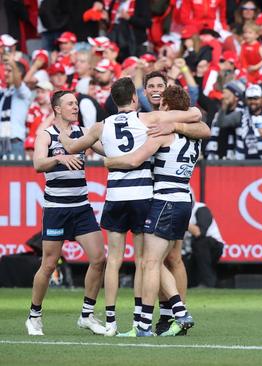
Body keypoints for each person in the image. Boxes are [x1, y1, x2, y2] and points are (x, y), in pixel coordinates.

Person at [59, 78, 206, 336]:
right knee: (158, 260)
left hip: (141, 197)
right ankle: (168, 314)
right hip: (167, 196)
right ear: (136, 98)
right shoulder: (159, 124)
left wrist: (106, 160)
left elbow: (128, 157)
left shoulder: (137, 126)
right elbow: (200, 121)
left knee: (135, 261)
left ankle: (125, 322)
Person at [104, 85, 210, 337]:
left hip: (164, 200)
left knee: (149, 263)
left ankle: (144, 325)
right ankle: (179, 310)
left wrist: (108, 160)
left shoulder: (163, 133)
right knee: (158, 261)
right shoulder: (194, 136)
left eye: (161, 103)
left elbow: (134, 160)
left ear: (165, 108)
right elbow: (202, 126)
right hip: (184, 198)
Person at [26, 91, 106, 336]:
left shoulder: (82, 132)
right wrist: (60, 158)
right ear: (57, 109)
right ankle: (34, 316)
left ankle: (87, 315)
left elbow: (107, 150)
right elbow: (38, 164)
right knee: (49, 265)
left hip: (81, 207)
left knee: (99, 259)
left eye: (76, 103)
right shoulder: (46, 134)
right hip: (56, 209)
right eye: (70, 104)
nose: (75, 107)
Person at [185, 201, 224, 288]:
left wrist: (181, 220)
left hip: (212, 246)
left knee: (201, 243)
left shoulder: (201, 209)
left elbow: (199, 232)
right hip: (189, 251)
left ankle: (207, 283)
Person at [0, 49, 30, 157]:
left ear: (19, 73)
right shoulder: (3, 93)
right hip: (1, 142)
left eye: (9, 71)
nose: (5, 74)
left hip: (14, 143)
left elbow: (18, 83)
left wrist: (12, 62)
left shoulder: (24, 92)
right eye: (5, 71)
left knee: (12, 174)